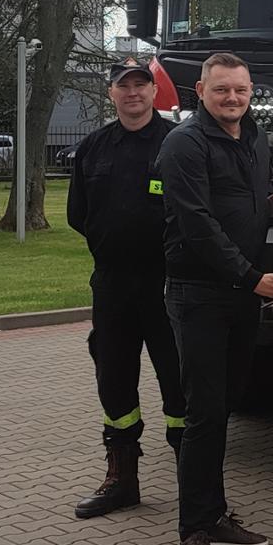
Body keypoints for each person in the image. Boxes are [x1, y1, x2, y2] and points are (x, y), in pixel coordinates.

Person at [156, 52, 273, 545]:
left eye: (241, 90)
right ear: (201, 90)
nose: (233, 99)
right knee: (203, 414)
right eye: (222, 91)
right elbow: (196, 224)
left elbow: (252, 204)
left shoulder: (254, 138)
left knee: (226, 406)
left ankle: (215, 515)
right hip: (199, 295)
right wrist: (251, 277)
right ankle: (191, 532)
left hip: (243, 295)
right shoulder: (184, 145)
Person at [66, 59, 182, 520]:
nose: (132, 93)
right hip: (112, 285)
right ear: (111, 93)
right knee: (113, 378)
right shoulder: (94, 147)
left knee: (179, 383)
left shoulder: (178, 143)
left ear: (154, 92)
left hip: (168, 284)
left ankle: (192, 485)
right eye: (123, 86)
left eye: (140, 85)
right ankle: (121, 479)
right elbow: (79, 214)